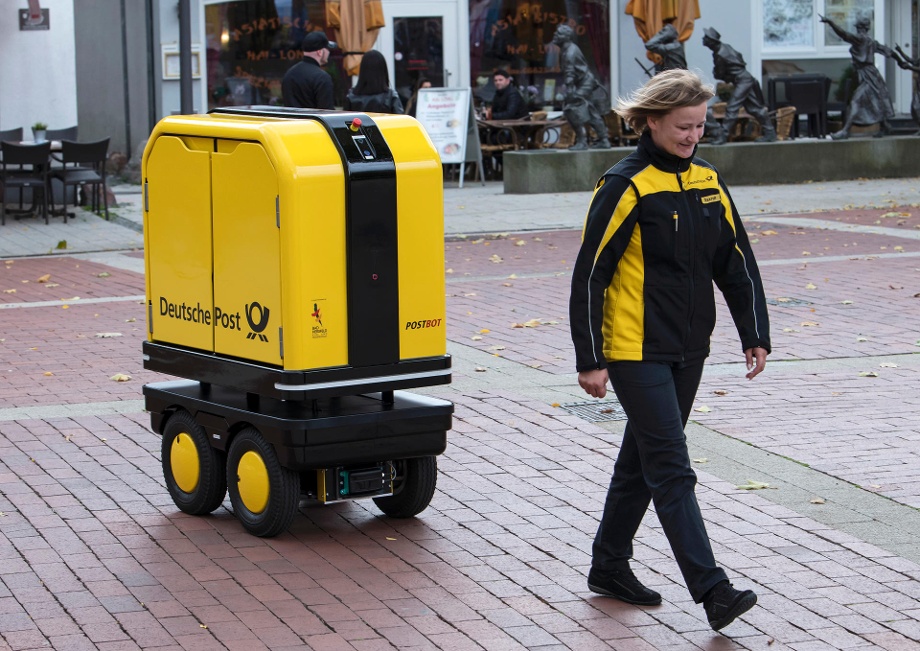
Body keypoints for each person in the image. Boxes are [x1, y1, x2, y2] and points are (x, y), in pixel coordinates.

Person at [568, 69, 770, 632]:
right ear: (652, 121)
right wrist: (590, 357)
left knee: (642, 459)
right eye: (683, 126)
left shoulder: (707, 180)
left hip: (689, 349)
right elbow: (591, 274)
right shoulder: (624, 184)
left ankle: (608, 565)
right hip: (635, 349)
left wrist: (754, 331)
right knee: (672, 468)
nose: (693, 136)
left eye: (700, 125)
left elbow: (735, 261)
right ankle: (713, 591)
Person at [819, 15, 897, 139]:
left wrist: (830, 22)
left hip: (868, 75)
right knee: (874, 100)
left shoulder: (861, 39)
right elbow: (889, 51)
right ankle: (885, 126)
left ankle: (845, 131)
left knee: (856, 101)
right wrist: (902, 61)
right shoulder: (871, 41)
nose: (857, 30)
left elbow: (844, 34)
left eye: (858, 28)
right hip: (870, 74)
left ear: (860, 28)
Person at [702, 27, 777, 144]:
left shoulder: (720, 54)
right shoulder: (725, 47)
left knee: (732, 107)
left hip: (743, 80)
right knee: (754, 108)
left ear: (712, 41)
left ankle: (723, 135)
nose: (703, 39)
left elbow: (719, 73)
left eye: (706, 37)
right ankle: (770, 132)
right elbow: (740, 59)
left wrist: (720, 74)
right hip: (744, 79)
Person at [552, 24, 611, 150]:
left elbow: (569, 72)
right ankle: (603, 139)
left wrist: (570, 90)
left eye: (558, 33)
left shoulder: (570, 52)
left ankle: (582, 141)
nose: (555, 35)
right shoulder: (567, 49)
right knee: (590, 111)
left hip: (584, 83)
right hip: (584, 82)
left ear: (566, 37)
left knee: (571, 109)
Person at [282, 31, 337, 109]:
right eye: (327, 49)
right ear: (320, 52)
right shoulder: (322, 78)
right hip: (314, 117)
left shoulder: (289, 74)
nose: (329, 52)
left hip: (292, 117)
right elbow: (327, 112)